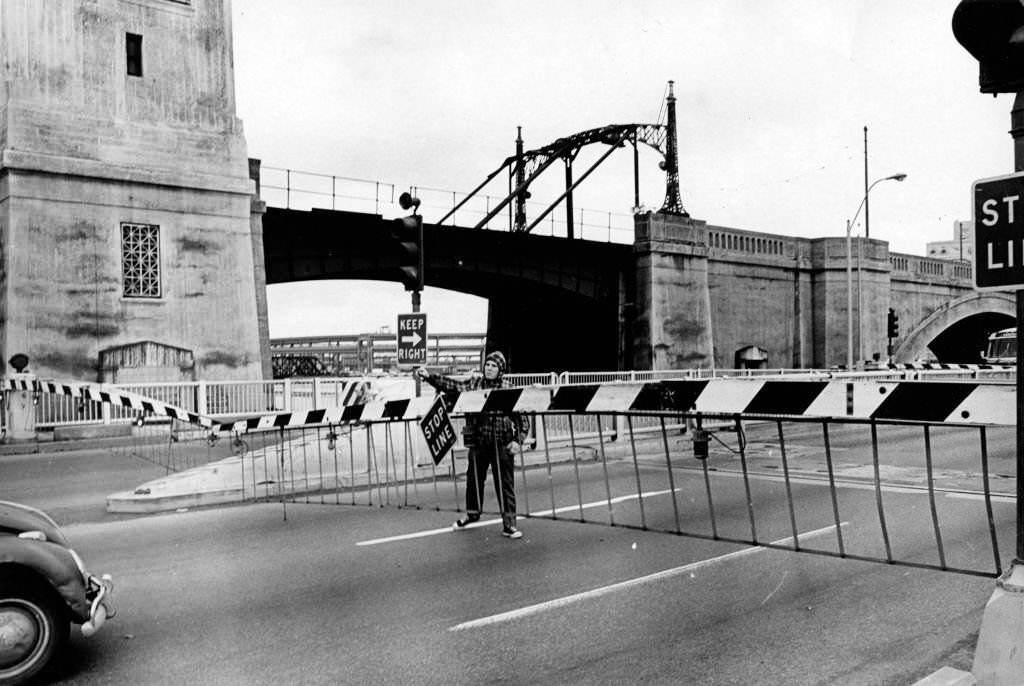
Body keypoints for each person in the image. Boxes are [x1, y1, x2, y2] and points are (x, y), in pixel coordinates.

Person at [417, 351, 529, 539]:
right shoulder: (474, 384)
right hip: (479, 443)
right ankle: (472, 514)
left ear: (500, 370)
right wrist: (429, 377)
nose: (490, 368)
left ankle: (509, 524)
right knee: (473, 482)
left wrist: (518, 441)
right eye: (488, 365)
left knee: (505, 485)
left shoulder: (508, 389)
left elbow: (522, 418)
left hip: (502, 444)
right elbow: (452, 385)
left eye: (494, 366)